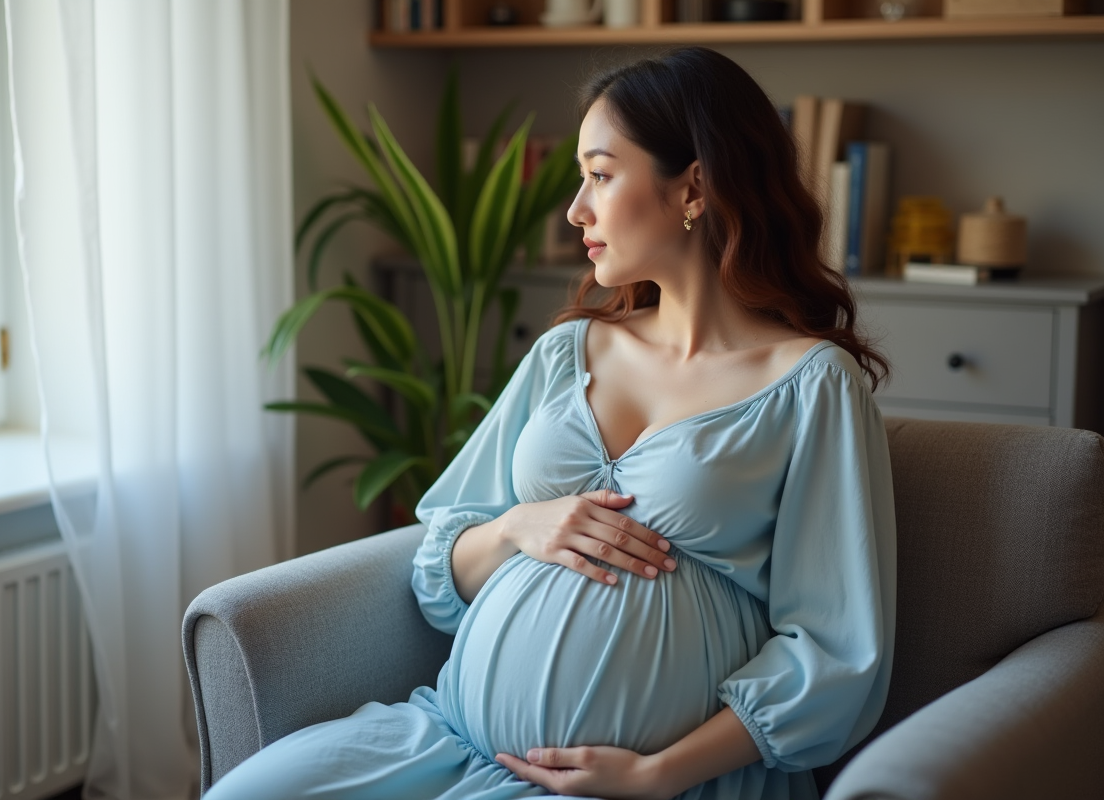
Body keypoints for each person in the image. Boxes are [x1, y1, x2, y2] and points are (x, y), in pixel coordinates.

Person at [206, 46, 896, 800]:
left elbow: (834, 651)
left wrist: (657, 773)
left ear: (694, 185)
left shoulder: (811, 386)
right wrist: (516, 528)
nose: (576, 209)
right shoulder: (568, 353)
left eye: (600, 174)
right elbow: (442, 563)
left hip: (651, 783)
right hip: (450, 737)